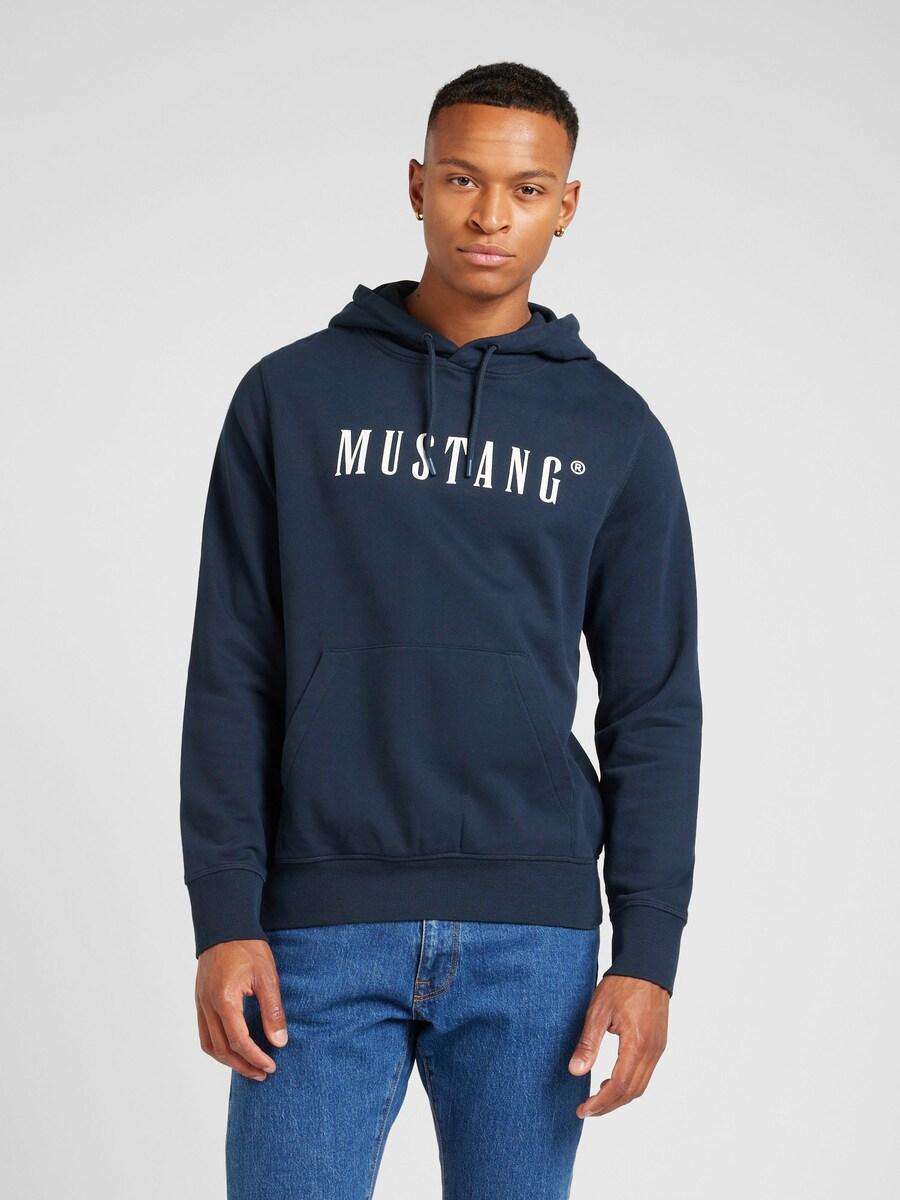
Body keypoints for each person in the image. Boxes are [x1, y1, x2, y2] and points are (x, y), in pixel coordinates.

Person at [180, 60, 702, 1199]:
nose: (490, 215)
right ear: (417, 184)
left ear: (567, 206)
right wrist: (223, 915)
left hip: (534, 943)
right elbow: (231, 668)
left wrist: (648, 954)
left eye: (527, 189)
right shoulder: (290, 398)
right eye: (464, 180)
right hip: (314, 930)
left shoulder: (615, 431)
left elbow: (655, 704)